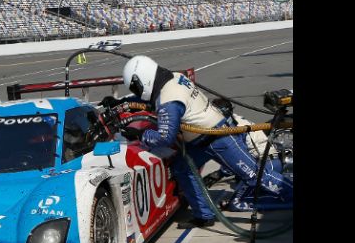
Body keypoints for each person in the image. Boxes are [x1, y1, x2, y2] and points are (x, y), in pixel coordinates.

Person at [119, 55, 293, 228]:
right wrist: (124, 102)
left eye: (135, 87)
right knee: (182, 168)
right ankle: (203, 215)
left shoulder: (169, 99)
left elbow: (165, 137)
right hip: (204, 139)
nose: (137, 91)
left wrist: (140, 135)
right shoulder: (173, 78)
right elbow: (151, 101)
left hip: (219, 137)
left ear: (142, 79)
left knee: (255, 175)